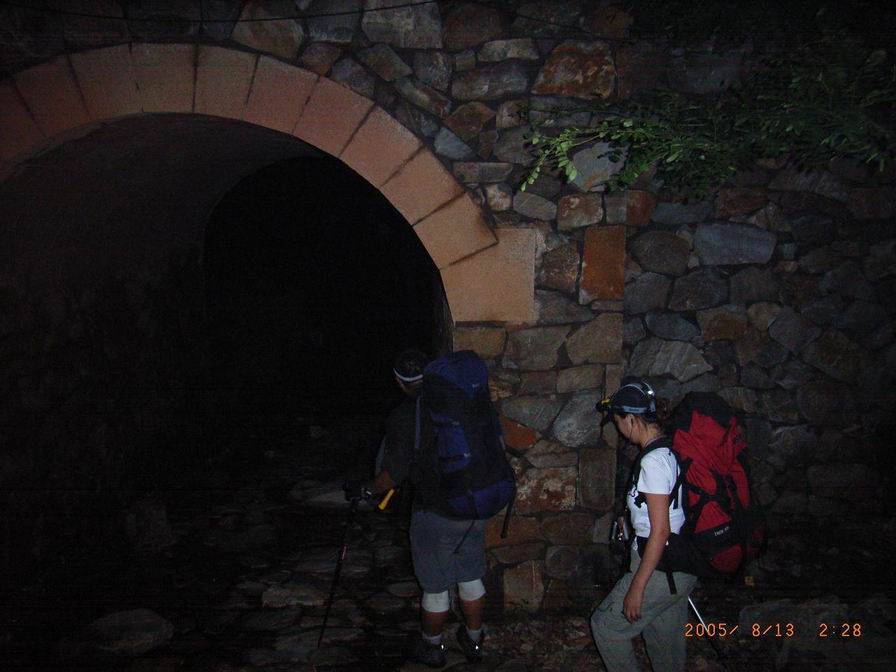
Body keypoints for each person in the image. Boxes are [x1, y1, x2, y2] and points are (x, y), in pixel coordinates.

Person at [344, 349, 487, 668]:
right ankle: (475, 640)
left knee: (435, 587)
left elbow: (393, 474)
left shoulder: (405, 415)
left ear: (399, 382)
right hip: (473, 505)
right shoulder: (460, 401)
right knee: (471, 577)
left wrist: (366, 489)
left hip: (434, 513)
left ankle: (432, 647)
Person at [590, 381, 698, 672]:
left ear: (631, 420)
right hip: (678, 565)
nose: (618, 429)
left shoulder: (652, 462)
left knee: (606, 627)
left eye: (617, 422)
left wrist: (637, 587)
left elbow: (660, 531)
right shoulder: (666, 450)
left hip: (659, 567)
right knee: (665, 646)